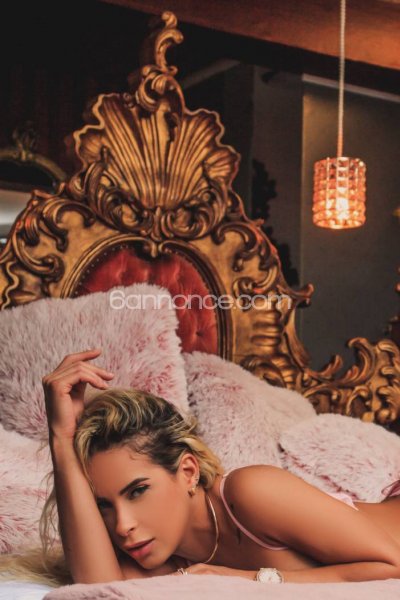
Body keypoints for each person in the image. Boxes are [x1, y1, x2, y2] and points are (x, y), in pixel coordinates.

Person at [37, 349, 400, 585]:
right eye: (103, 505)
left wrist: (245, 579)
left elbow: (393, 567)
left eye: (138, 491)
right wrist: (61, 441)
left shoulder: (251, 492)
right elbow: (99, 590)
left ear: (188, 472)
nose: (122, 525)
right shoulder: (166, 563)